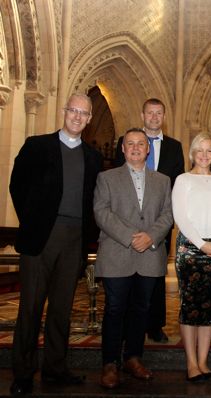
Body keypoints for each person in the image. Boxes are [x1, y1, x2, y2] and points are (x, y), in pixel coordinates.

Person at [9, 94, 102, 395]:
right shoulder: (37, 146)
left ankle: (55, 368)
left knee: (62, 308)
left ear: (89, 119)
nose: (77, 116)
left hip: (75, 238)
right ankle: (22, 372)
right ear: (64, 112)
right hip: (42, 237)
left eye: (83, 113)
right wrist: (34, 221)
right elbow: (17, 185)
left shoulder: (93, 156)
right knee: (31, 308)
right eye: (72, 110)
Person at [94, 128, 173, 389]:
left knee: (142, 309)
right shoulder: (107, 178)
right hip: (118, 253)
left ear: (148, 149)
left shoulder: (163, 181)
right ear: (123, 149)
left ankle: (133, 358)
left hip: (150, 255)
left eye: (141, 143)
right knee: (115, 310)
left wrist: (150, 236)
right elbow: (102, 213)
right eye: (131, 144)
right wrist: (131, 236)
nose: (137, 148)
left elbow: (168, 214)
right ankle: (110, 363)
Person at [114, 98, 184, 343]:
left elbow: (177, 185)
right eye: (150, 113)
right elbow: (116, 181)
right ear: (142, 115)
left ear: (163, 117)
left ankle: (155, 324)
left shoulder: (174, 147)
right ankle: (126, 324)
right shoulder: (127, 143)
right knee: (126, 276)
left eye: (159, 113)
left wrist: (165, 221)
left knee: (155, 275)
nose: (154, 117)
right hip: (128, 220)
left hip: (159, 221)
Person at [172, 133, 211, 382]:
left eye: (209, 151)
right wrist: (201, 244)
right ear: (192, 153)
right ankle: (190, 363)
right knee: (190, 308)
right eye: (200, 150)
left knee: (210, 308)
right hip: (190, 249)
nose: (205, 155)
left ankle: (204, 362)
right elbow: (181, 217)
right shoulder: (183, 179)